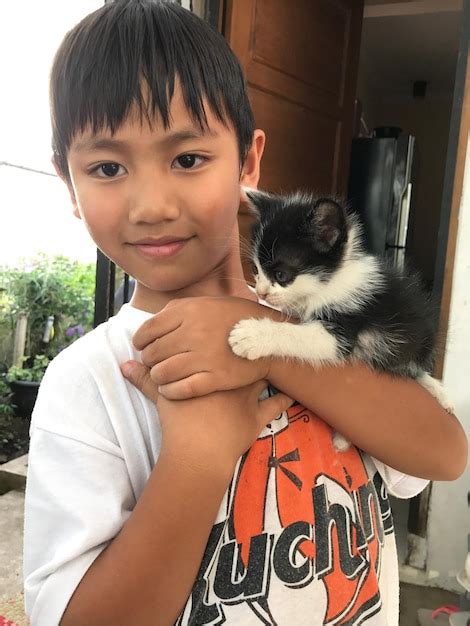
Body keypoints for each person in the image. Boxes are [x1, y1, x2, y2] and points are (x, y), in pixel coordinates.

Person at [23, 1, 467, 625]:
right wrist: (200, 455)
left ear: (249, 163)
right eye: (106, 167)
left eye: (187, 159)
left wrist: (270, 345)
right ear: (69, 184)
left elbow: (444, 454)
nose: (151, 205)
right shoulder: (92, 382)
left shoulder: (319, 329)